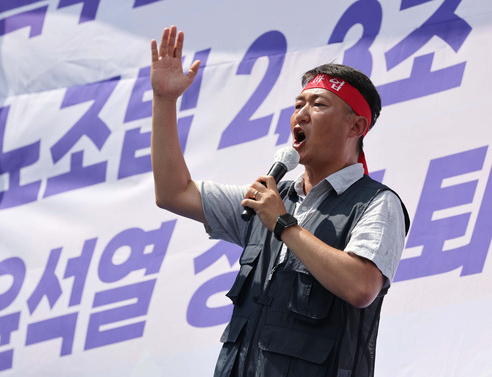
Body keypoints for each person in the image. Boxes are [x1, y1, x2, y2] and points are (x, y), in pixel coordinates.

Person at [150, 25, 409, 377]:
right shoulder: (269, 199)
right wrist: (165, 102)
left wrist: (284, 224)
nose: (300, 114)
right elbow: (173, 193)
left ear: (356, 127)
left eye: (318, 104)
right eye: (298, 103)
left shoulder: (376, 203)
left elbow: (361, 286)